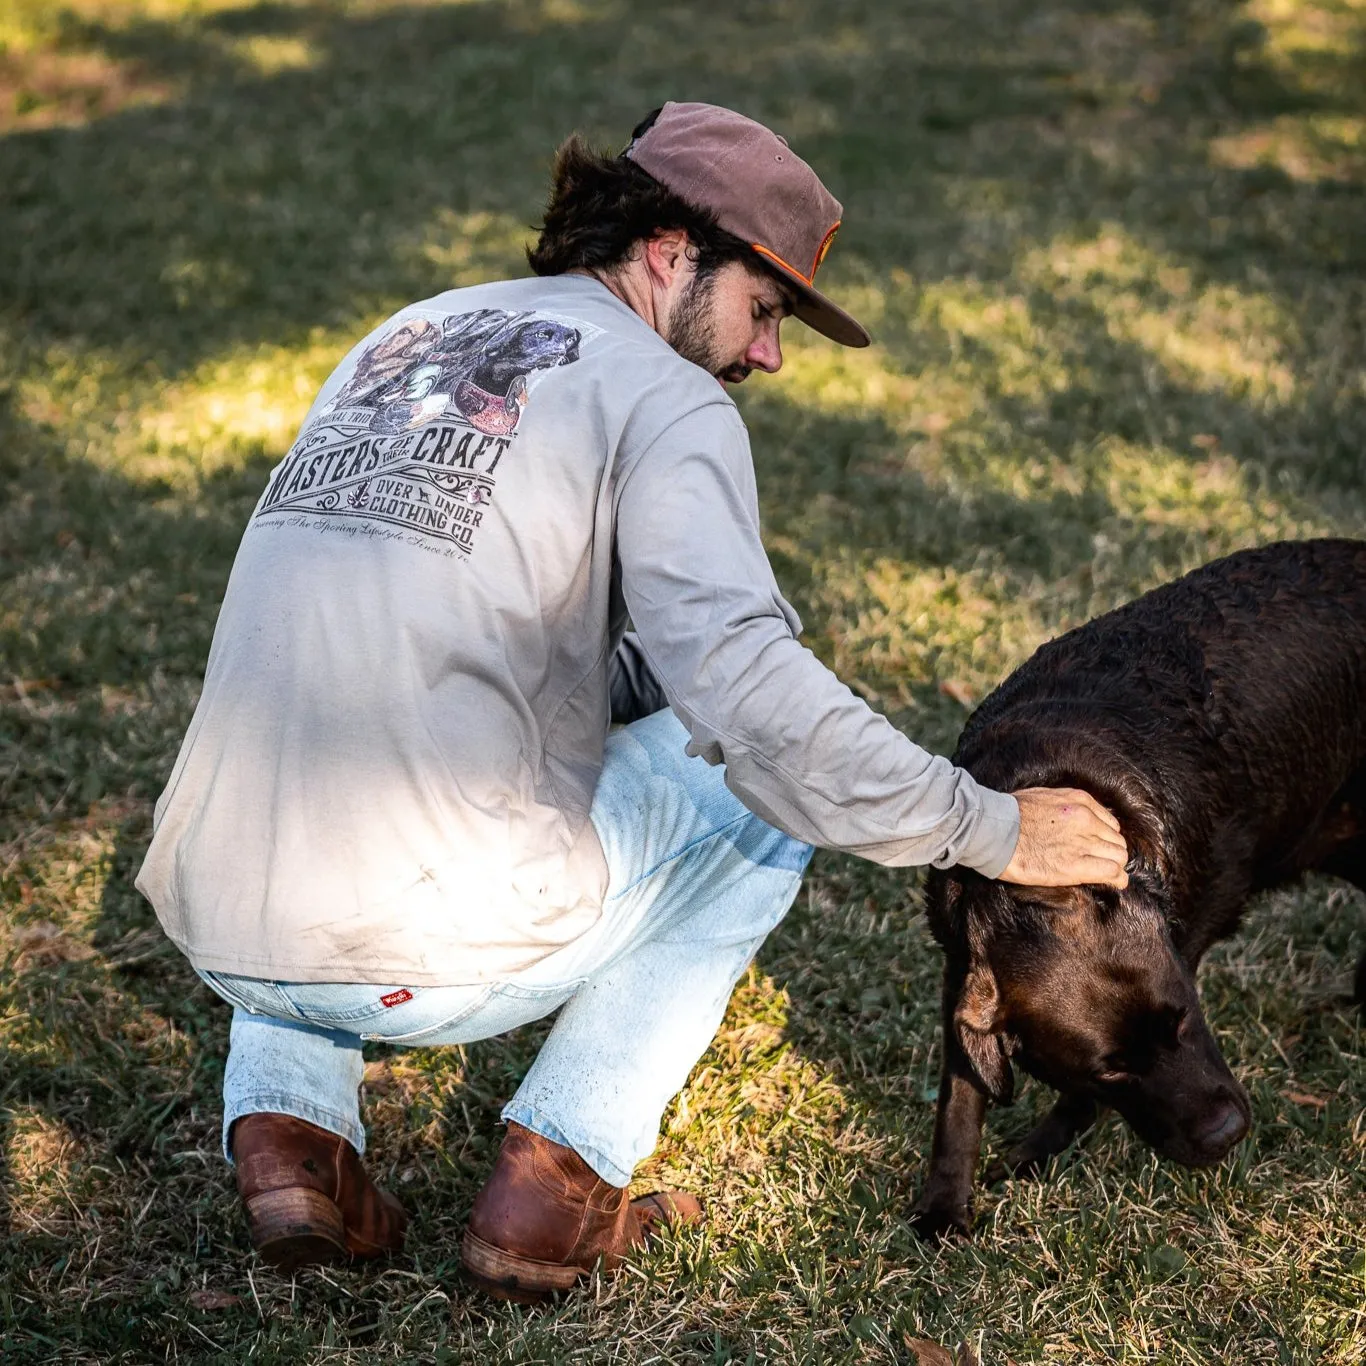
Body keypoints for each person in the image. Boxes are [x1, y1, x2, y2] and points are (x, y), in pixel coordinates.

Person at [136, 102, 1127, 1299]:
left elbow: (483, 648)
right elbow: (759, 709)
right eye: (765, 310)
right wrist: (997, 827)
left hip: (221, 923)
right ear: (668, 252)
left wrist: (640, 679)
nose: (768, 355)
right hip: (419, 952)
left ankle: (290, 1140)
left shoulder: (409, 332)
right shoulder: (668, 399)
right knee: (765, 794)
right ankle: (554, 1185)